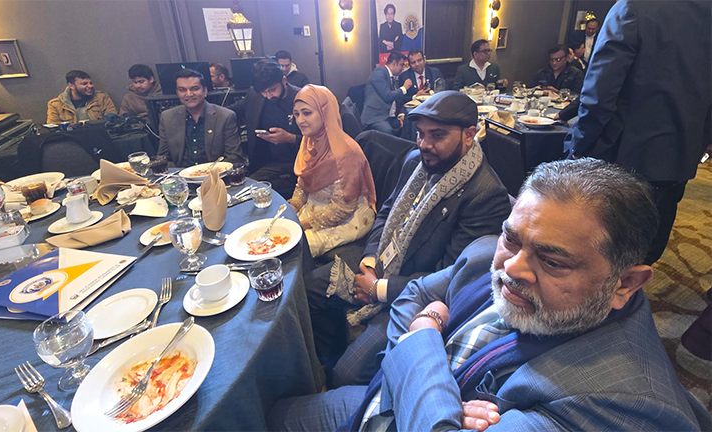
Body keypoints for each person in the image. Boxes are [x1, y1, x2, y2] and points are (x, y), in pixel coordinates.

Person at [268, 158, 712, 432]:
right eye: (512, 239)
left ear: (625, 284)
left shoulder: (622, 406)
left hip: (404, 392)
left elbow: (419, 321)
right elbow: (417, 292)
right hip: (384, 398)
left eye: (552, 261)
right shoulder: (487, 253)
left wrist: (424, 340)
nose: (513, 267)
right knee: (269, 417)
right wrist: (437, 396)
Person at [307, 91, 511, 388]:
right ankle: (328, 358)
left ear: (469, 135)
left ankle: (353, 391)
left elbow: (451, 276)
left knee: (347, 373)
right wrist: (370, 261)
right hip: (381, 261)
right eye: (420, 134)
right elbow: (386, 211)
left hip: (416, 295)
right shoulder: (417, 161)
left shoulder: (485, 195)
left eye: (437, 135)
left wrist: (378, 289)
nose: (424, 144)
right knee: (309, 289)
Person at [566, 0, 712, 265]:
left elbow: (599, 94)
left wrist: (578, 146)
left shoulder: (632, 8)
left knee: (602, 252)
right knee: (646, 251)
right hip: (681, 157)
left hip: (624, 160)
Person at [289, 85, 377, 258]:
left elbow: (343, 209)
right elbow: (302, 185)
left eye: (307, 113)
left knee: (292, 250)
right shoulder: (308, 142)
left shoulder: (346, 153)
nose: (300, 120)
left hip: (347, 217)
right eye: (296, 114)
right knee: (275, 236)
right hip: (314, 209)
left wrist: (300, 223)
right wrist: (293, 207)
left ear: (325, 112)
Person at [231, 60, 302, 198]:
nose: (268, 96)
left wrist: (290, 138)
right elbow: (233, 111)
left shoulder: (301, 97)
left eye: (272, 90)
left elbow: (320, 139)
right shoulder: (255, 95)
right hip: (270, 163)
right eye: (264, 92)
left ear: (284, 80)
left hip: (300, 161)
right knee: (245, 192)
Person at [157, 68, 243, 167]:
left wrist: (209, 172)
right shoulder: (167, 118)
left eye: (194, 88)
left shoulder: (225, 117)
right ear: (177, 93)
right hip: (180, 174)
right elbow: (162, 158)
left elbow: (234, 157)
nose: (189, 94)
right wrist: (179, 174)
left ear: (205, 91)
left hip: (216, 174)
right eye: (182, 90)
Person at [360, 51, 412, 135]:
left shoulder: (392, 78)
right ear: (394, 63)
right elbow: (387, 96)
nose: (403, 68)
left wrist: (401, 114)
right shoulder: (378, 73)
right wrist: (404, 88)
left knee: (408, 124)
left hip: (389, 116)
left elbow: (399, 100)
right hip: (375, 117)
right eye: (401, 65)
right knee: (388, 131)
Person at [46, 70, 117, 124]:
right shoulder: (55, 104)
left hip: (99, 136)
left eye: (90, 83)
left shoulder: (102, 98)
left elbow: (113, 119)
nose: (90, 86)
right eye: (84, 84)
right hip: (70, 138)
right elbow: (53, 128)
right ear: (71, 86)